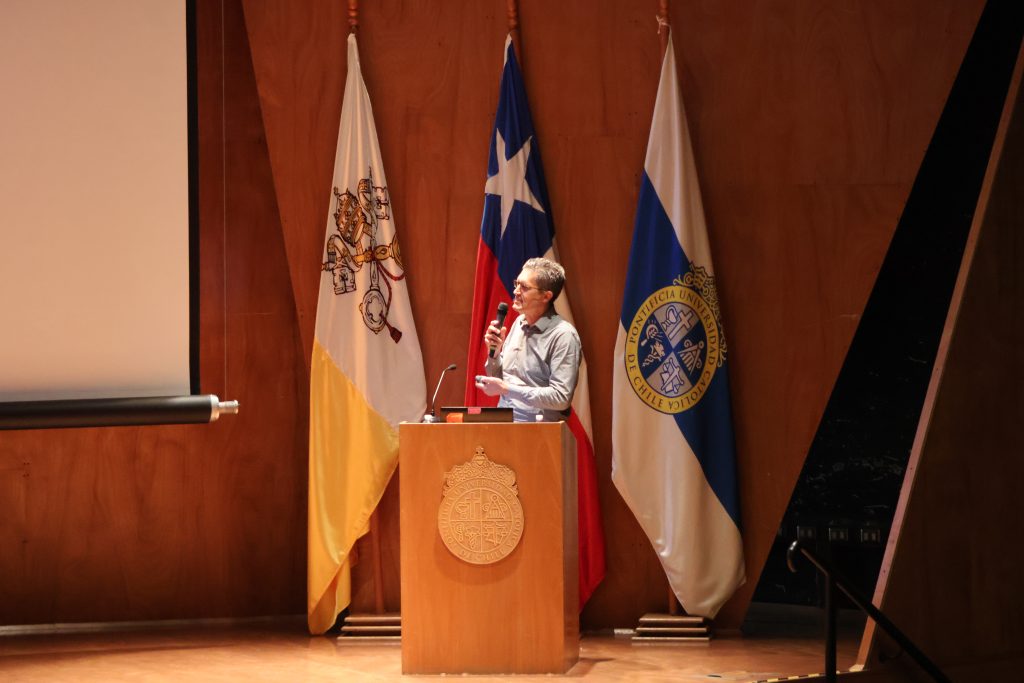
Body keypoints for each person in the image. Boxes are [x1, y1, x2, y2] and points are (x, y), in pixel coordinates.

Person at [475, 257, 582, 422]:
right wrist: (494, 355)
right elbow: (500, 378)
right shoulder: (519, 323)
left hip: (538, 435)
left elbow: (561, 397)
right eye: (516, 284)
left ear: (546, 296)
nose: (516, 291)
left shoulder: (563, 336)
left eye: (524, 287)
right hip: (502, 425)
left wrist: (507, 389)